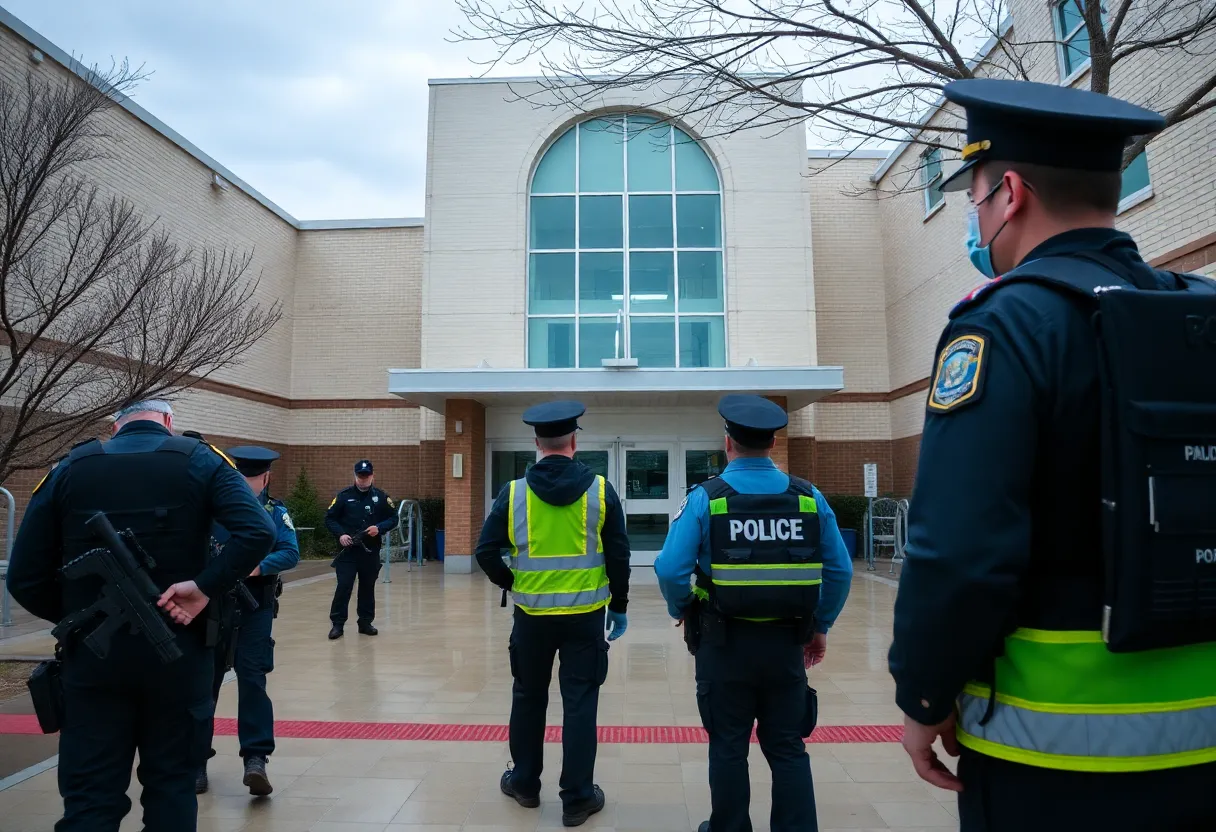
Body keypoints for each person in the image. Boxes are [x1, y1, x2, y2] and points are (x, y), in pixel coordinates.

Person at [888, 77, 1216, 831]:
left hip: (1059, 760)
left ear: (1009, 192)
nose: (975, 218)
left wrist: (926, 695)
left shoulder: (1006, 327)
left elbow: (961, 549)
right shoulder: (1193, 312)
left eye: (973, 197)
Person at [4, 401, 275, 831]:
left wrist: (81, 618)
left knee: (90, 799)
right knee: (172, 788)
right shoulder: (202, 461)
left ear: (116, 426)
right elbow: (258, 532)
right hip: (180, 655)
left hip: (95, 664)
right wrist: (203, 588)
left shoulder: (71, 467)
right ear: (169, 422)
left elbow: (23, 577)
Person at [655, 394, 853, 832]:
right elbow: (840, 570)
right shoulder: (809, 498)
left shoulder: (707, 499)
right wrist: (820, 625)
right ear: (772, 443)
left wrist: (683, 609)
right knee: (786, 746)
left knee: (727, 745)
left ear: (729, 443)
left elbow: (669, 568)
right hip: (787, 645)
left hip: (723, 646)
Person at [474, 400, 631, 828]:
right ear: (574, 441)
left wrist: (513, 582)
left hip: (531, 617)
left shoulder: (514, 492)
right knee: (580, 704)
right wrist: (619, 604)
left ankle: (525, 785)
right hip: (586, 617)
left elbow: (485, 551)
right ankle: (578, 799)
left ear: (536, 442)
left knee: (528, 697)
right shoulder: (601, 489)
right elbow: (619, 553)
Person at [197, 446, 300, 797]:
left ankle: (256, 759)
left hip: (255, 607)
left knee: (252, 680)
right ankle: (196, 761)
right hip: (212, 608)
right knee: (203, 684)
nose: (248, 484)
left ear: (266, 479)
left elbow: (290, 552)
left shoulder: (273, 512)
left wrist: (256, 566)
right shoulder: (213, 511)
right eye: (242, 477)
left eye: (253, 478)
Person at [325, 459, 398, 638]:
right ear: (355, 476)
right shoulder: (343, 496)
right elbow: (330, 518)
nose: (363, 479)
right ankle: (337, 624)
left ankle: (365, 622)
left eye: (366, 476)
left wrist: (379, 528)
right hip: (348, 551)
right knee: (344, 586)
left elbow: (393, 518)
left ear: (372, 476)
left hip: (370, 551)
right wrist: (341, 534)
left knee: (367, 587)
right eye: (360, 476)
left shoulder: (381, 497)